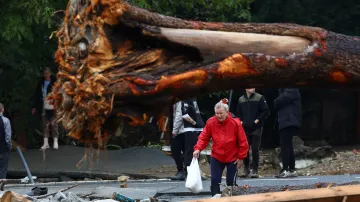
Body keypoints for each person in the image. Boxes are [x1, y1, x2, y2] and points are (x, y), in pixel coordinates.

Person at [193, 99, 249, 196]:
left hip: (232, 157)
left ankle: (231, 198)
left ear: (227, 112)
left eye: (221, 113)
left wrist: (241, 157)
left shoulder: (235, 123)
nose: (219, 115)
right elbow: (204, 137)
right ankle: (215, 197)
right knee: (215, 180)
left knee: (230, 181)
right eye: (217, 113)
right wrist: (198, 148)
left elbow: (243, 141)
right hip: (217, 156)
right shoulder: (211, 122)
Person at [236, 88, 270, 178]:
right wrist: (241, 121)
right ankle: (246, 169)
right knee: (245, 149)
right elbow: (238, 113)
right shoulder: (241, 99)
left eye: (254, 87)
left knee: (255, 149)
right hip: (245, 128)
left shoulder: (259, 97)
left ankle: (255, 170)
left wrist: (257, 120)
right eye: (250, 87)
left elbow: (266, 111)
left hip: (256, 127)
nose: (253, 88)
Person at [170, 98, 204, 180]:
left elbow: (180, 115)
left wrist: (174, 130)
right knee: (188, 151)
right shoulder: (193, 99)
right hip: (190, 129)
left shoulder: (181, 100)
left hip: (183, 129)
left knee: (178, 151)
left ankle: (182, 171)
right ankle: (188, 170)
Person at [274, 88, 302, 178]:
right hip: (287, 121)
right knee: (288, 146)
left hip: (289, 121)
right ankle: (291, 169)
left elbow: (277, 102)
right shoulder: (288, 90)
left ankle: (285, 169)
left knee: (285, 145)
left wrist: (277, 98)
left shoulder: (291, 89)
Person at [32, 67, 59, 150]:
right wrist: (34, 107)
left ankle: (55, 141)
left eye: (47, 73)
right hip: (44, 104)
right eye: (44, 73)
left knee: (54, 123)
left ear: (50, 74)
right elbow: (36, 95)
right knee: (45, 124)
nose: (46, 75)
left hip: (53, 104)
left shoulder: (55, 82)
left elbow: (59, 93)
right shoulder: (41, 83)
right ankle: (46, 143)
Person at [0, 103, 12, 179]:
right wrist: (9, 147)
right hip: (3, 149)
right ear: (3, 110)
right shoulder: (5, 121)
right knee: (3, 169)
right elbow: (8, 137)